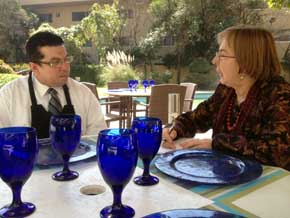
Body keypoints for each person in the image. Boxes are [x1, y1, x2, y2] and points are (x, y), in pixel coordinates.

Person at [163, 26, 290, 171]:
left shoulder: (280, 95)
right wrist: (175, 130)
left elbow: (277, 152)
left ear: (245, 62)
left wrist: (217, 143)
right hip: (228, 176)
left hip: (271, 186)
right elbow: (196, 118)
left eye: (222, 55)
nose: (214, 60)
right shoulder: (227, 91)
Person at [0, 31, 107, 138]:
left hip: (77, 155)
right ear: (34, 67)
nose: (65, 67)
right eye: (55, 62)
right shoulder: (9, 96)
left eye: (66, 59)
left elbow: (96, 138)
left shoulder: (83, 93)